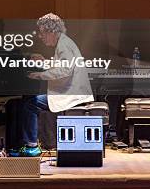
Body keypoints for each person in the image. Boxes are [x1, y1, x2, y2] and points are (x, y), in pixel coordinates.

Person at [12, 13, 94, 157]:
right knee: (29, 101)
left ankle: (31, 146)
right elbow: (60, 65)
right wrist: (44, 63)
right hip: (69, 91)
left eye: (43, 32)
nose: (40, 36)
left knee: (29, 105)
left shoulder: (63, 45)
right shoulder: (64, 43)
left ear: (52, 32)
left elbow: (64, 70)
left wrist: (39, 75)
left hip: (71, 95)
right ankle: (28, 143)